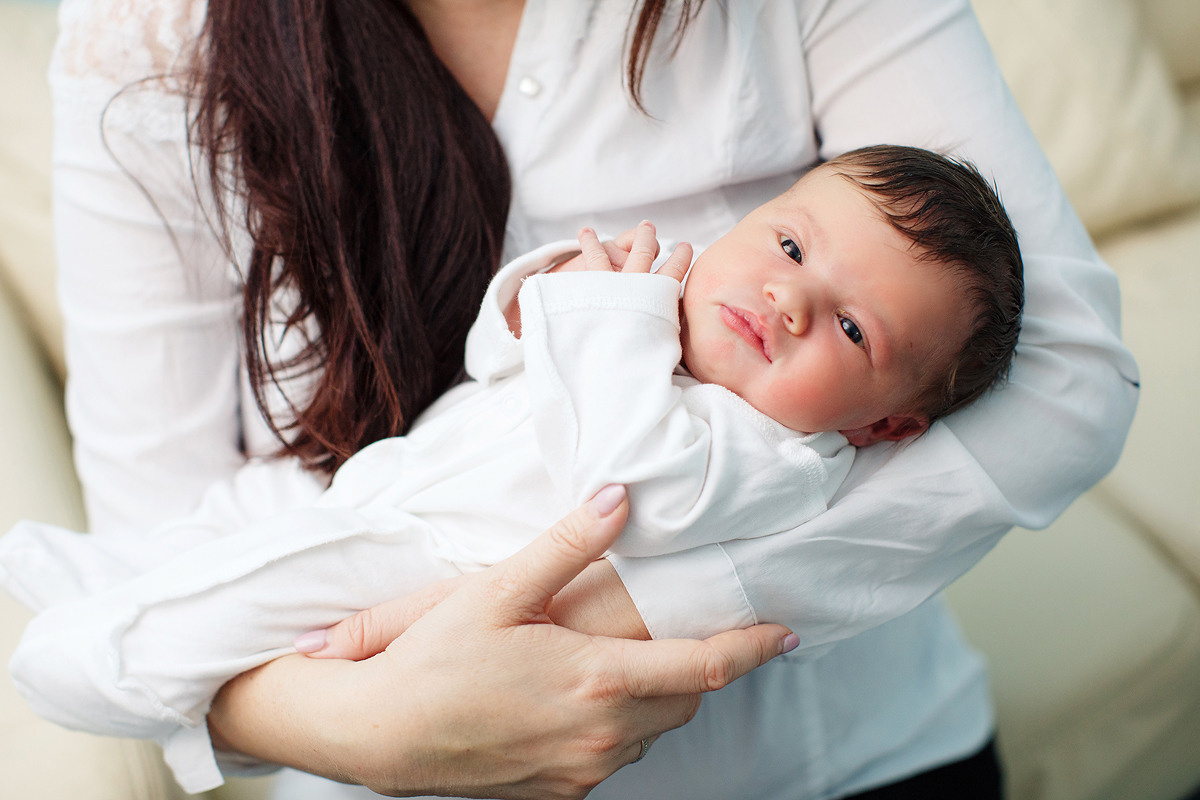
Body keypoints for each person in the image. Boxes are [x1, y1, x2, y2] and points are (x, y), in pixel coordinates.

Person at [42, 0, 1138, 798]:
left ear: (883, 422)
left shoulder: (772, 453)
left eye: (851, 326)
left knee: (209, 599)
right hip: (390, 672)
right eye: (788, 242)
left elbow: (1068, 375)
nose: (792, 300)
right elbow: (496, 364)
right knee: (209, 559)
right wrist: (364, 721)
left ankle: (92, 649)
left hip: (836, 756)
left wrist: (609, 614)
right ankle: (88, 631)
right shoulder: (142, 48)